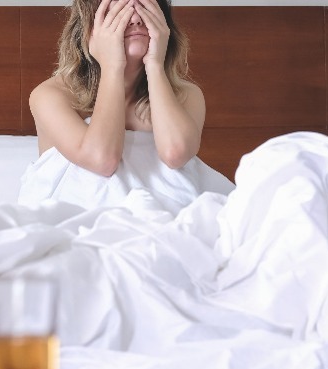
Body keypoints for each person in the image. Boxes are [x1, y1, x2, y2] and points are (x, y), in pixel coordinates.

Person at [18, 0, 233, 213]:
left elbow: (176, 154)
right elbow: (102, 160)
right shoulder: (50, 95)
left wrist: (155, 66)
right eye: (120, 9)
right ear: (89, 26)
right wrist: (112, 67)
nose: (136, 18)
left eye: (144, 6)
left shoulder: (187, 95)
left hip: (166, 217)